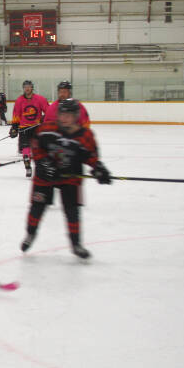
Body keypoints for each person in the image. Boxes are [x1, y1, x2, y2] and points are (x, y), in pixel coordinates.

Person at [20, 99, 111, 260]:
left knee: (72, 210)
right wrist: (44, 163)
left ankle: (76, 244)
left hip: (71, 177)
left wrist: (98, 168)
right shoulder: (47, 129)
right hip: (45, 176)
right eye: (61, 114)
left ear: (76, 116)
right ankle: (30, 234)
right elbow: (35, 145)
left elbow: (91, 156)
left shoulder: (85, 135)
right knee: (37, 207)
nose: (64, 118)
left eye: (68, 115)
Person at [9, 80, 49, 178]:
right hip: (24, 129)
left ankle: (41, 168)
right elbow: (16, 115)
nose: (27, 88)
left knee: (39, 150)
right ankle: (28, 168)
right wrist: (14, 128)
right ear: (23, 88)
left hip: (37, 128)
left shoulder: (40, 99)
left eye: (29, 86)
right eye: (25, 86)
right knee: (25, 149)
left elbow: (49, 111)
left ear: (32, 88)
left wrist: (44, 118)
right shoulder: (19, 100)